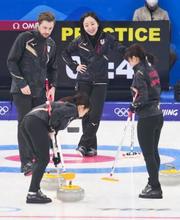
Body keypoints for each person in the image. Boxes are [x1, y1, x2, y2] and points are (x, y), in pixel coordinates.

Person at [62, 12, 125, 157]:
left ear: (97, 23)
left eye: (92, 24)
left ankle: (83, 144)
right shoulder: (79, 40)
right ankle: (91, 147)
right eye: (86, 25)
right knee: (85, 113)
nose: (90, 27)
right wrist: (74, 66)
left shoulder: (107, 38)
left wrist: (131, 53)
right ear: (83, 27)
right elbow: (65, 53)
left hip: (101, 81)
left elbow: (119, 47)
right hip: (83, 80)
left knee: (95, 115)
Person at [7, 12, 57, 176]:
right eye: (44, 27)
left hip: (39, 92)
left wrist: (53, 86)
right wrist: (21, 83)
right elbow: (11, 61)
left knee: (38, 125)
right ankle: (26, 162)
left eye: (50, 28)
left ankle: (38, 158)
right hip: (21, 90)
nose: (47, 31)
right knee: (24, 124)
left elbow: (53, 68)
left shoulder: (51, 44)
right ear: (38, 24)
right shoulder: (24, 38)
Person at [20, 92, 90, 203]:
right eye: (86, 111)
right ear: (82, 107)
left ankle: (35, 190)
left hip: (27, 122)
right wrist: (52, 127)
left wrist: (55, 152)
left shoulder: (65, 106)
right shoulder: (72, 109)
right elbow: (55, 115)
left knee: (40, 159)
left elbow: (53, 133)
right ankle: (32, 193)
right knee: (43, 159)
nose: (85, 114)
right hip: (36, 122)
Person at [124, 44, 164, 199]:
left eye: (129, 61)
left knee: (148, 154)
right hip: (158, 115)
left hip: (147, 118)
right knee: (153, 152)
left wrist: (134, 106)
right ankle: (152, 182)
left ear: (134, 58)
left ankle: (155, 187)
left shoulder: (139, 72)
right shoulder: (150, 67)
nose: (129, 64)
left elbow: (143, 96)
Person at [133, 0, 176, 72]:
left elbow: (167, 31)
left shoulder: (164, 13)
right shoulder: (138, 12)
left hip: (159, 45)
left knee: (172, 54)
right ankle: (144, 75)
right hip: (142, 44)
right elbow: (133, 30)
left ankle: (159, 74)